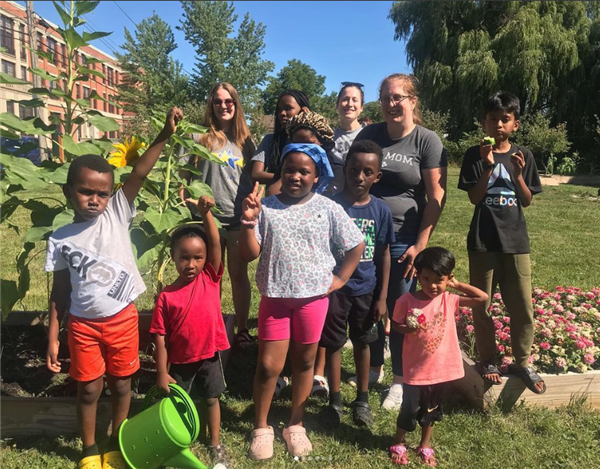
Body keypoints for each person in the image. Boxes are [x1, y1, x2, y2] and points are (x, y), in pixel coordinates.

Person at [45, 108, 182, 469]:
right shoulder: (60, 238)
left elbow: (139, 171)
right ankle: (90, 448)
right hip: (83, 325)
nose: (95, 199)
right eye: (86, 191)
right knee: (88, 388)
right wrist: (53, 336)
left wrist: (164, 135)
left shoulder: (117, 212)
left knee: (122, 385)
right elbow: (60, 292)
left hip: (122, 319)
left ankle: (117, 440)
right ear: (68, 192)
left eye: (102, 193)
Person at [239, 144, 365, 460]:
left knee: (305, 363)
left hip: (312, 300)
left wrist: (341, 279)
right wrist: (248, 222)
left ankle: (296, 424)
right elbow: (249, 254)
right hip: (276, 298)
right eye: (289, 170)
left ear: (316, 175)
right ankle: (261, 427)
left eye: (303, 171)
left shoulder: (328, 208)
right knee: (269, 366)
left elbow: (355, 243)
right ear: (280, 173)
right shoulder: (266, 208)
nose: (295, 176)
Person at [352, 74, 448, 411]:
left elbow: (436, 196)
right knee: (367, 303)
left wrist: (421, 244)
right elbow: (353, 177)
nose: (392, 104)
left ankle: (399, 379)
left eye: (398, 97)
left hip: (404, 240)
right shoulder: (370, 134)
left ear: (412, 101)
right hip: (367, 233)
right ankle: (375, 368)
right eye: (386, 98)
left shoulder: (426, 141)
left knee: (401, 310)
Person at [458, 91, 545, 394]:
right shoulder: (475, 154)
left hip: (516, 241)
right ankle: (487, 359)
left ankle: (522, 361)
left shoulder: (523, 156)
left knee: (521, 305)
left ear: (515, 124)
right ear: (484, 122)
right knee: (482, 304)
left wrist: (519, 175)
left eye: (504, 120)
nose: (498, 125)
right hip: (483, 240)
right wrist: (486, 165)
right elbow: (474, 197)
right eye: (492, 119)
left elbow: (527, 200)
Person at [317, 140, 395, 429]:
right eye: (353, 170)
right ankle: (334, 400)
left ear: (377, 176)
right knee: (334, 343)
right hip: (335, 292)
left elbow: (384, 253)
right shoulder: (330, 206)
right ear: (345, 170)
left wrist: (382, 296)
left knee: (364, 343)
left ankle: (362, 399)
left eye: (367, 171)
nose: (359, 177)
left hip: (366, 290)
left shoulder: (381, 211)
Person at [150, 196, 230, 468]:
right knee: (178, 404)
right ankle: (179, 440)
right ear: (173, 257)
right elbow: (160, 339)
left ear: (206, 259)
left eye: (198, 257)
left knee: (211, 399)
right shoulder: (166, 297)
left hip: (209, 355)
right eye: (184, 257)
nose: (191, 264)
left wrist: (206, 213)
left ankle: (215, 443)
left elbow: (216, 241)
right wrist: (162, 371)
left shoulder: (210, 277)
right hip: (180, 361)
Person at [389, 247, 488, 466]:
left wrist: (456, 285)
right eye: (426, 279)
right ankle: (398, 442)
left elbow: (482, 297)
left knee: (431, 410)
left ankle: (425, 444)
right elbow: (395, 324)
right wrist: (406, 328)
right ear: (417, 276)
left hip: (440, 370)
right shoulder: (406, 301)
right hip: (415, 370)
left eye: (439, 280)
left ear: (449, 278)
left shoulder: (449, 300)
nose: (432, 286)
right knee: (409, 408)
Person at [181, 82, 255, 349]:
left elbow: (255, 176)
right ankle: (209, 324)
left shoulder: (246, 141)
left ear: (236, 104)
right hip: (206, 217)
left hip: (235, 218)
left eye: (229, 101)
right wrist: (186, 202)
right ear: (210, 106)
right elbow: (183, 177)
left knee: (238, 274)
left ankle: (243, 328)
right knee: (210, 275)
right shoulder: (198, 137)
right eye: (218, 102)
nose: (224, 106)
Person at [250, 89, 311, 195]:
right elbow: (256, 174)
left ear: (303, 111)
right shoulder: (270, 141)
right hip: (275, 203)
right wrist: (285, 177)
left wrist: (307, 126)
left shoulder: (312, 142)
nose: (282, 113)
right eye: (279, 110)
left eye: (288, 108)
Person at [328, 82, 366, 194]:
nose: (349, 104)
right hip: (332, 197)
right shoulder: (327, 137)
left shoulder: (370, 135)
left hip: (358, 199)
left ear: (361, 107)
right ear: (337, 104)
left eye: (355, 100)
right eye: (345, 99)